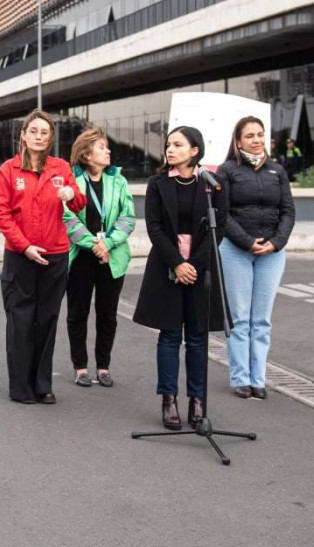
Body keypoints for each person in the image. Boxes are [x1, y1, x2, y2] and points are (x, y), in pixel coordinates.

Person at [133, 126, 227, 430]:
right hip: (166, 265)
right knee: (170, 335)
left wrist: (194, 265)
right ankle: (168, 399)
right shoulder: (158, 183)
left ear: (195, 150)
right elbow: (155, 227)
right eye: (168, 144)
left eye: (178, 144)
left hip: (202, 267)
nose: (170, 149)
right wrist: (177, 262)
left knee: (198, 337)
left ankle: (197, 400)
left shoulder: (212, 184)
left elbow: (220, 227)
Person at [0, 109, 85, 405]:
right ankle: (21, 387)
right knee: (20, 320)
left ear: (51, 138)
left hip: (55, 255)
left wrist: (71, 194)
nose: (38, 137)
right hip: (20, 256)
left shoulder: (61, 168)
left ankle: (42, 384)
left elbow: (79, 202)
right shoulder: (8, 170)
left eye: (44, 133)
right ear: (23, 134)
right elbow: (2, 215)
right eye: (33, 131)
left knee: (47, 319)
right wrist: (24, 246)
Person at [217, 116, 295, 400]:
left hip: (272, 254)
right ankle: (240, 378)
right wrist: (248, 242)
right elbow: (222, 215)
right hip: (237, 251)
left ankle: (258, 379)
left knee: (262, 320)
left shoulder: (277, 170)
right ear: (238, 141)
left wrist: (276, 243)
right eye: (250, 135)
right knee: (241, 318)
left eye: (260, 134)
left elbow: (288, 211)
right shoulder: (227, 171)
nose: (256, 140)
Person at [63, 127, 135, 388]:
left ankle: (103, 366)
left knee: (108, 313)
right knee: (77, 312)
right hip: (81, 256)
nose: (108, 151)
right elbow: (66, 216)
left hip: (111, 256)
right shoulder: (71, 180)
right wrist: (93, 243)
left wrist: (108, 243)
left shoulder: (119, 181)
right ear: (86, 153)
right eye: (102, 147)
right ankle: (80, 367)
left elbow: (128, 217)